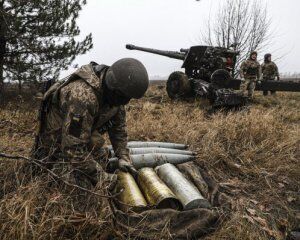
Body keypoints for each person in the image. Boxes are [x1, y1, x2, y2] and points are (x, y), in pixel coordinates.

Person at [32, 58, 149, 187]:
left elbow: (118, 131)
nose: (125, 102)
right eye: (124, 98)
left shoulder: (116, 96)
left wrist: (123, 157)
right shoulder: (82, 96)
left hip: (79, 141)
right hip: (56, 149)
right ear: (114, 88)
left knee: (103, 162)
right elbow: (73, 149)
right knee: (82, 185)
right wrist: (101, 176)